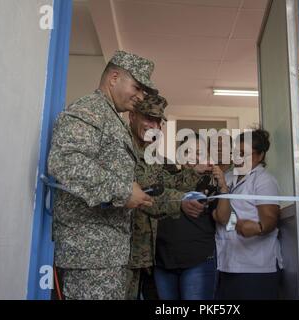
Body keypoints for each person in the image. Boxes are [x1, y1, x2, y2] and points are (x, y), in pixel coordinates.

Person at [47, 51, 157, 300]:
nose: (140, 97)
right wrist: (124, 191)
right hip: (89, 254)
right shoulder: (90, 109)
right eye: (137, 88)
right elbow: (66, 161)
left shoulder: (110, 117)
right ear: (114, 77)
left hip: (105, 253)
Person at [126, 94, 212, 300]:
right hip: (122, 252)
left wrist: (195, 171)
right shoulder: (124, 149)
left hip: (144, 256)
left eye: (157, 120)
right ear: (132, 116)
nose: (153, 125)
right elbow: (147, 192)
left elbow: (168, 183)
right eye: (148, 117)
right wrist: (181, 202)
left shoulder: (152, 156)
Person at [154, 133, 232, 300]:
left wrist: (223, 187)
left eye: (199, 152)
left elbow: (223, 218)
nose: (194, 156)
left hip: (198, 262)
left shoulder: (209, 182)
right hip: (162, 262)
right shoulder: (165, 177)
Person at [212, 128, 283, 300]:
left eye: (244, 153)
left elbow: (270, 220)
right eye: (236, 152)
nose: (238, 158)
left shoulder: (264, 180)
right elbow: (221, 216)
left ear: (260, 156)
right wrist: (222, 187)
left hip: (256, 267)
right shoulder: (227, 177)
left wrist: (258, 228)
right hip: (228, 263)